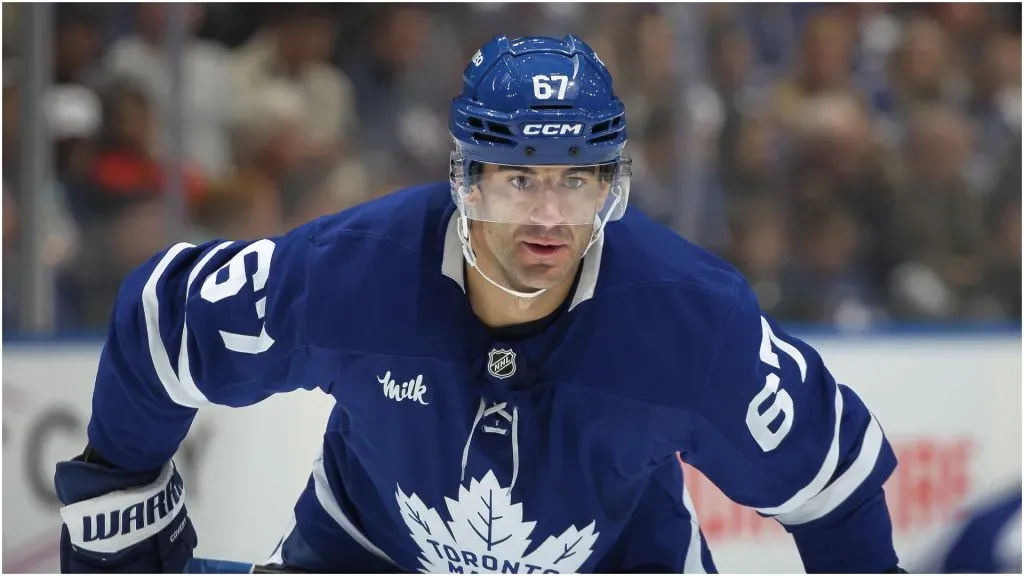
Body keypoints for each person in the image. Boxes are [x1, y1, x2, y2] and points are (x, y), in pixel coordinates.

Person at [55, 35, 905, 573]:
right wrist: (119, 504)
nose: (547, 217)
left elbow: (832, 487)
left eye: (578, 180)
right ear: (464, 182)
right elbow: (164, 319)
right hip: (368, 554)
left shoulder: (691, 320)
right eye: (519, 179)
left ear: (613, 186)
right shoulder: (357, 271)